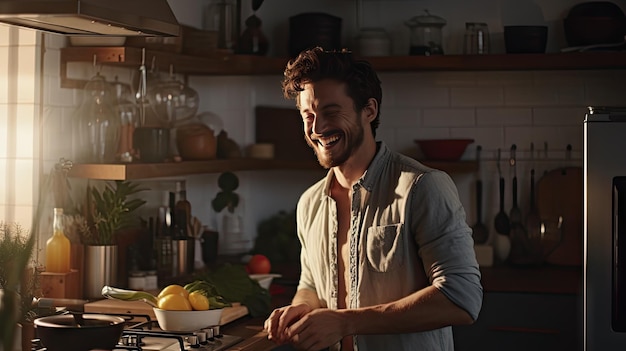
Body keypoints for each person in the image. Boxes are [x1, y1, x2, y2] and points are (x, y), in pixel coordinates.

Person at [264, 47, 483, 351]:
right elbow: (312, 285)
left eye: (330, 112)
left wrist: (346, 322)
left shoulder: (422, 187)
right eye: (308, 115)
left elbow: (461, 298)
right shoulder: (309, 203)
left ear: (369, 110)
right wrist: (301, 307)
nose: (317, 128)